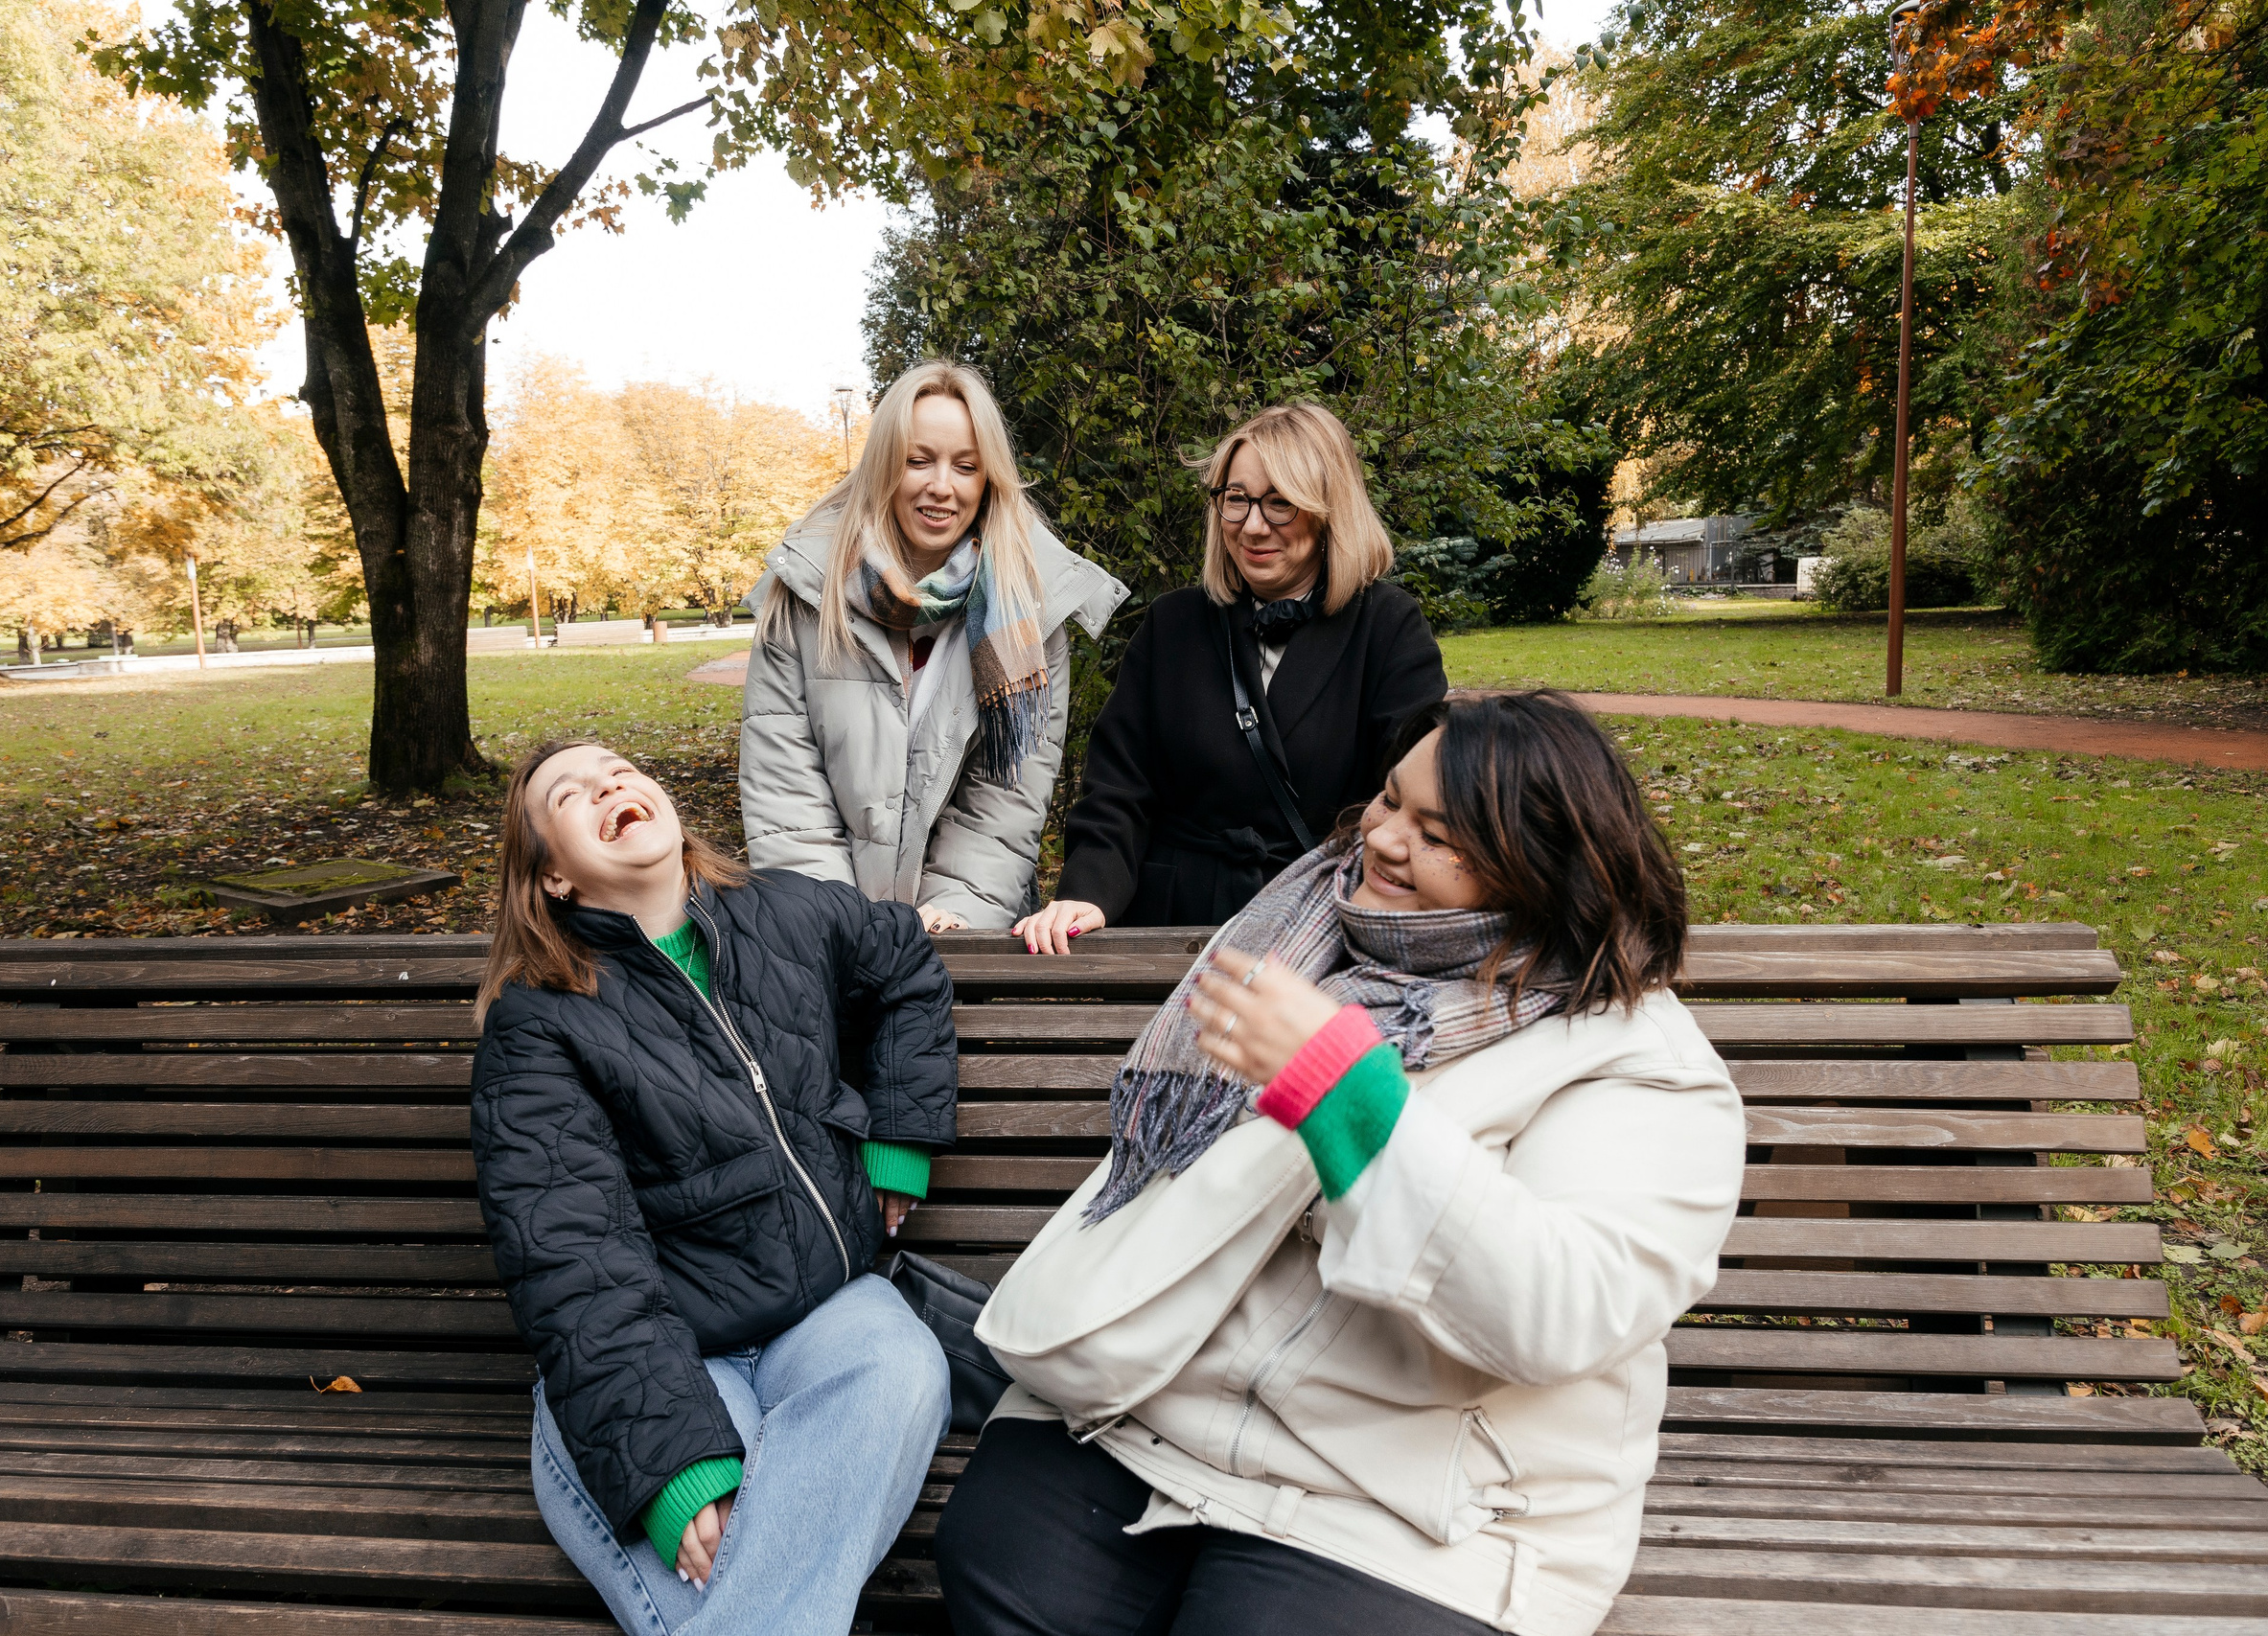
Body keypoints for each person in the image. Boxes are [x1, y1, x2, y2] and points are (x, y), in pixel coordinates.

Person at [939, 692, 1745, 1636]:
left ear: (1541, 869)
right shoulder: (1302, 940)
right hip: (1158, 1418)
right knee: (1000, 1566)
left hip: (1417, 1503)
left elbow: (1563, 1312)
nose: (1385, 840)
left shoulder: (1637, 1061)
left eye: (1439, 836)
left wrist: (1345, 1105)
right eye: (1390, 799)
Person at [470, 740, 956, 1636]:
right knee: (709, 1550)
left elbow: (904, 961)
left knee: (903, 1368)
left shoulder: (788, 911)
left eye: (617, 768)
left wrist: (900, 1134)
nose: (608, 784)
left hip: (830, 1313)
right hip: (659, 1361)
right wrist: (671, 1461)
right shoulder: (537, 1026)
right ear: (553, 879)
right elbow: (574, 1259)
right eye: (570, 794)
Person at [1014, 402, 1445, 951]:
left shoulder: (1388, 628)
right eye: (1236, 499)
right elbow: (1118, 789)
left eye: (1280, 502)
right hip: (1172, 923)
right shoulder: (1172, 624)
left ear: (1329, 510)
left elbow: (1414, 798)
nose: (1253, 526)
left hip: (1313, 925)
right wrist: (1090, 891)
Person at [742, 359, 1127, 933]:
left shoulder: (1030, 611)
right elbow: (786, 794)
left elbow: (1006, 798)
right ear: (883, 465)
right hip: (826, 931)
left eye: (965, 466)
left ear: (988, 478)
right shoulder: (803, 593)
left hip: (960, 930)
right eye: (917, 460)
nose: (941, 486)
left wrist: (957, 918)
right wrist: (841, 926)